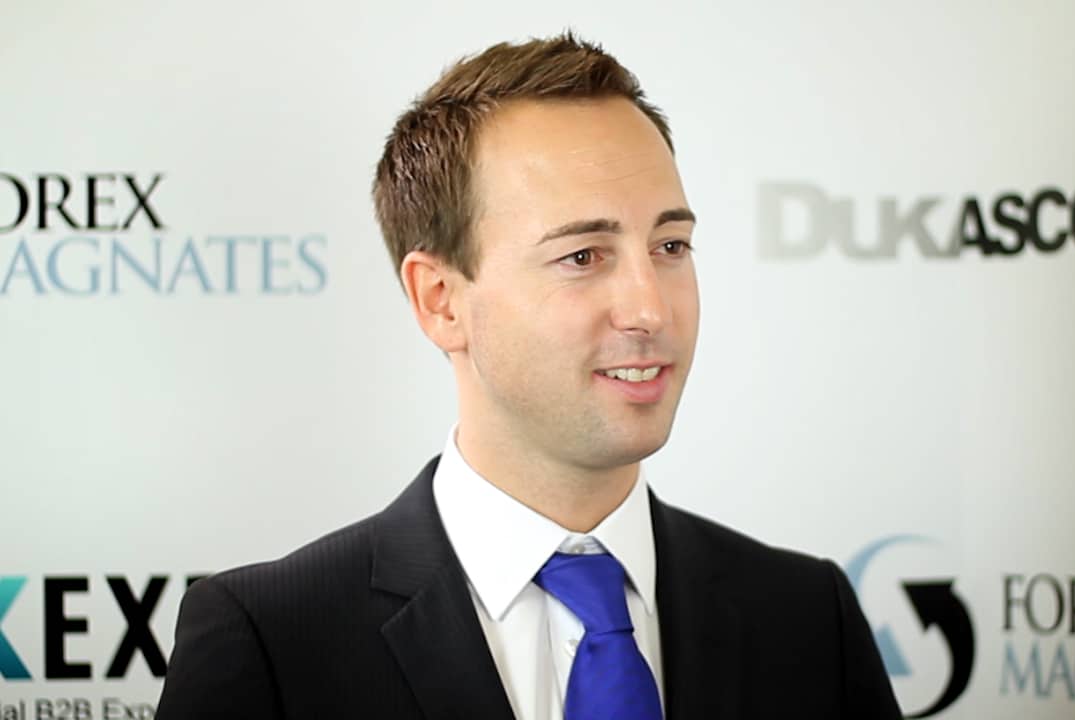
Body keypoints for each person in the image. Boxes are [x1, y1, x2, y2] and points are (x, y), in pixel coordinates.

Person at [156, 32, 902, 720]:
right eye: (582, 256)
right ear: (440, 300)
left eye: (670, 246)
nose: (650, 308)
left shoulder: (809, 618)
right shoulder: (272, 641)